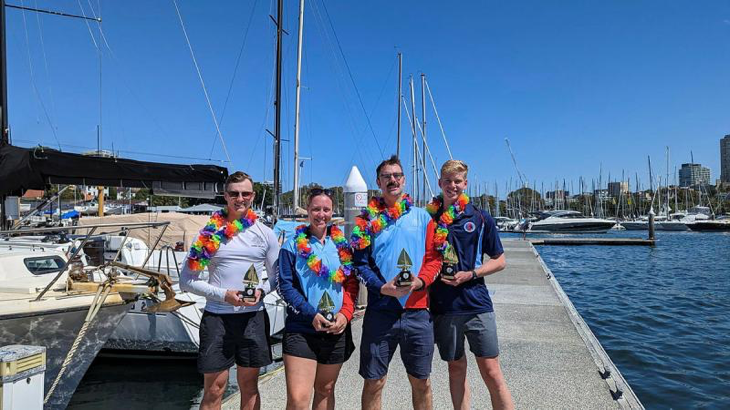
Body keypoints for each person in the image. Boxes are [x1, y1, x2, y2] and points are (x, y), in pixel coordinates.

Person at [180, 171, 280, 410]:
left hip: (253, 317)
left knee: (249, 386)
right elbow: (186, 280)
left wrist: (262, 292)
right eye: (234, 193)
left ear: (253, 196)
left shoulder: (265, 233)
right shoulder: (208, 234)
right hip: (217, 318)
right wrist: (224, 295)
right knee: (214, 389)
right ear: (225, 196)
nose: (240, 198)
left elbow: (276, 278)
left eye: (245, 193)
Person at [351, 155, 442, 410]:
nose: (393, 180)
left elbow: (435, 259)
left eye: (397, 175)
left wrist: (420, 282)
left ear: (404, 179)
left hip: (417, 311)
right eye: (387, 176)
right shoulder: (366, 221)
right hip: (381, 310)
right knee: (374, 381)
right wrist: (381, 288)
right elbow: (360, 264)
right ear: (378, 182)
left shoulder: (424, 218)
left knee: (421, 381)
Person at [426, 160, 514, 410]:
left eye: (457, 181)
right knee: (455, 369)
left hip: (477, 305)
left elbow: (500, 260)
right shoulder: (428, 218)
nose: (452, 185)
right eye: (447, 181)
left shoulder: (479, 217)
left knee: (492, 372)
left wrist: (471, 274)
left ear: (465, 183)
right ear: (440, 183)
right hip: (444, 307)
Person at [277, 188, 359, 410]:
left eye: (326, 209)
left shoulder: (343, 247)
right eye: (316, 209)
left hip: (336, 328)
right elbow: (285, 285)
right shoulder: (291, 246)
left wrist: (346, 314)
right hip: (302, 327)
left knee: (325, 390)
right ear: (308, 211)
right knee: (298, 399)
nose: (321, 214)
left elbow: (351, 283)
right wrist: (310, 313)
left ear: (333, 211)